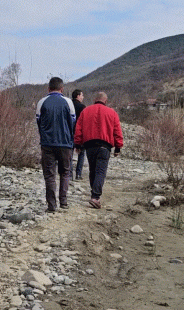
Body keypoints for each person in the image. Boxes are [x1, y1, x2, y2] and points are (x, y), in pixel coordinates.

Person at [74, 91, 123, 209]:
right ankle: (95, 197)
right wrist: (118, 147)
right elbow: (117, 131)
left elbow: (78, 129)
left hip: (89, 146)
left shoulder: (86, 111)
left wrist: (78, 144)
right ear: (105, 101)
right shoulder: (112, 112)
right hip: (104, 146)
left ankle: (94, 195)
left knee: (92, 170)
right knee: (100, 171)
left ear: (95, 100)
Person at [36, 77, 76, 212]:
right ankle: (63, 201)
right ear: (62, 89)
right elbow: (73, 123)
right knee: (65, 172)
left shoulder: (41, 102)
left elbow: (39, 122)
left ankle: (52, 206)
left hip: (47, 143)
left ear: (48, 88)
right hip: (65, 143)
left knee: (49, 175)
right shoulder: (68, 102)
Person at [71, 89, 87, 180]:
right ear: (78, 96)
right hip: (79, 133)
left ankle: (69, 174)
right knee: (81, 153)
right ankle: (78, 174)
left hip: (69, 132)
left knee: (69, 153)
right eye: (82, 95)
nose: (83, 97)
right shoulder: (82, 107)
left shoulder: (68, 105)